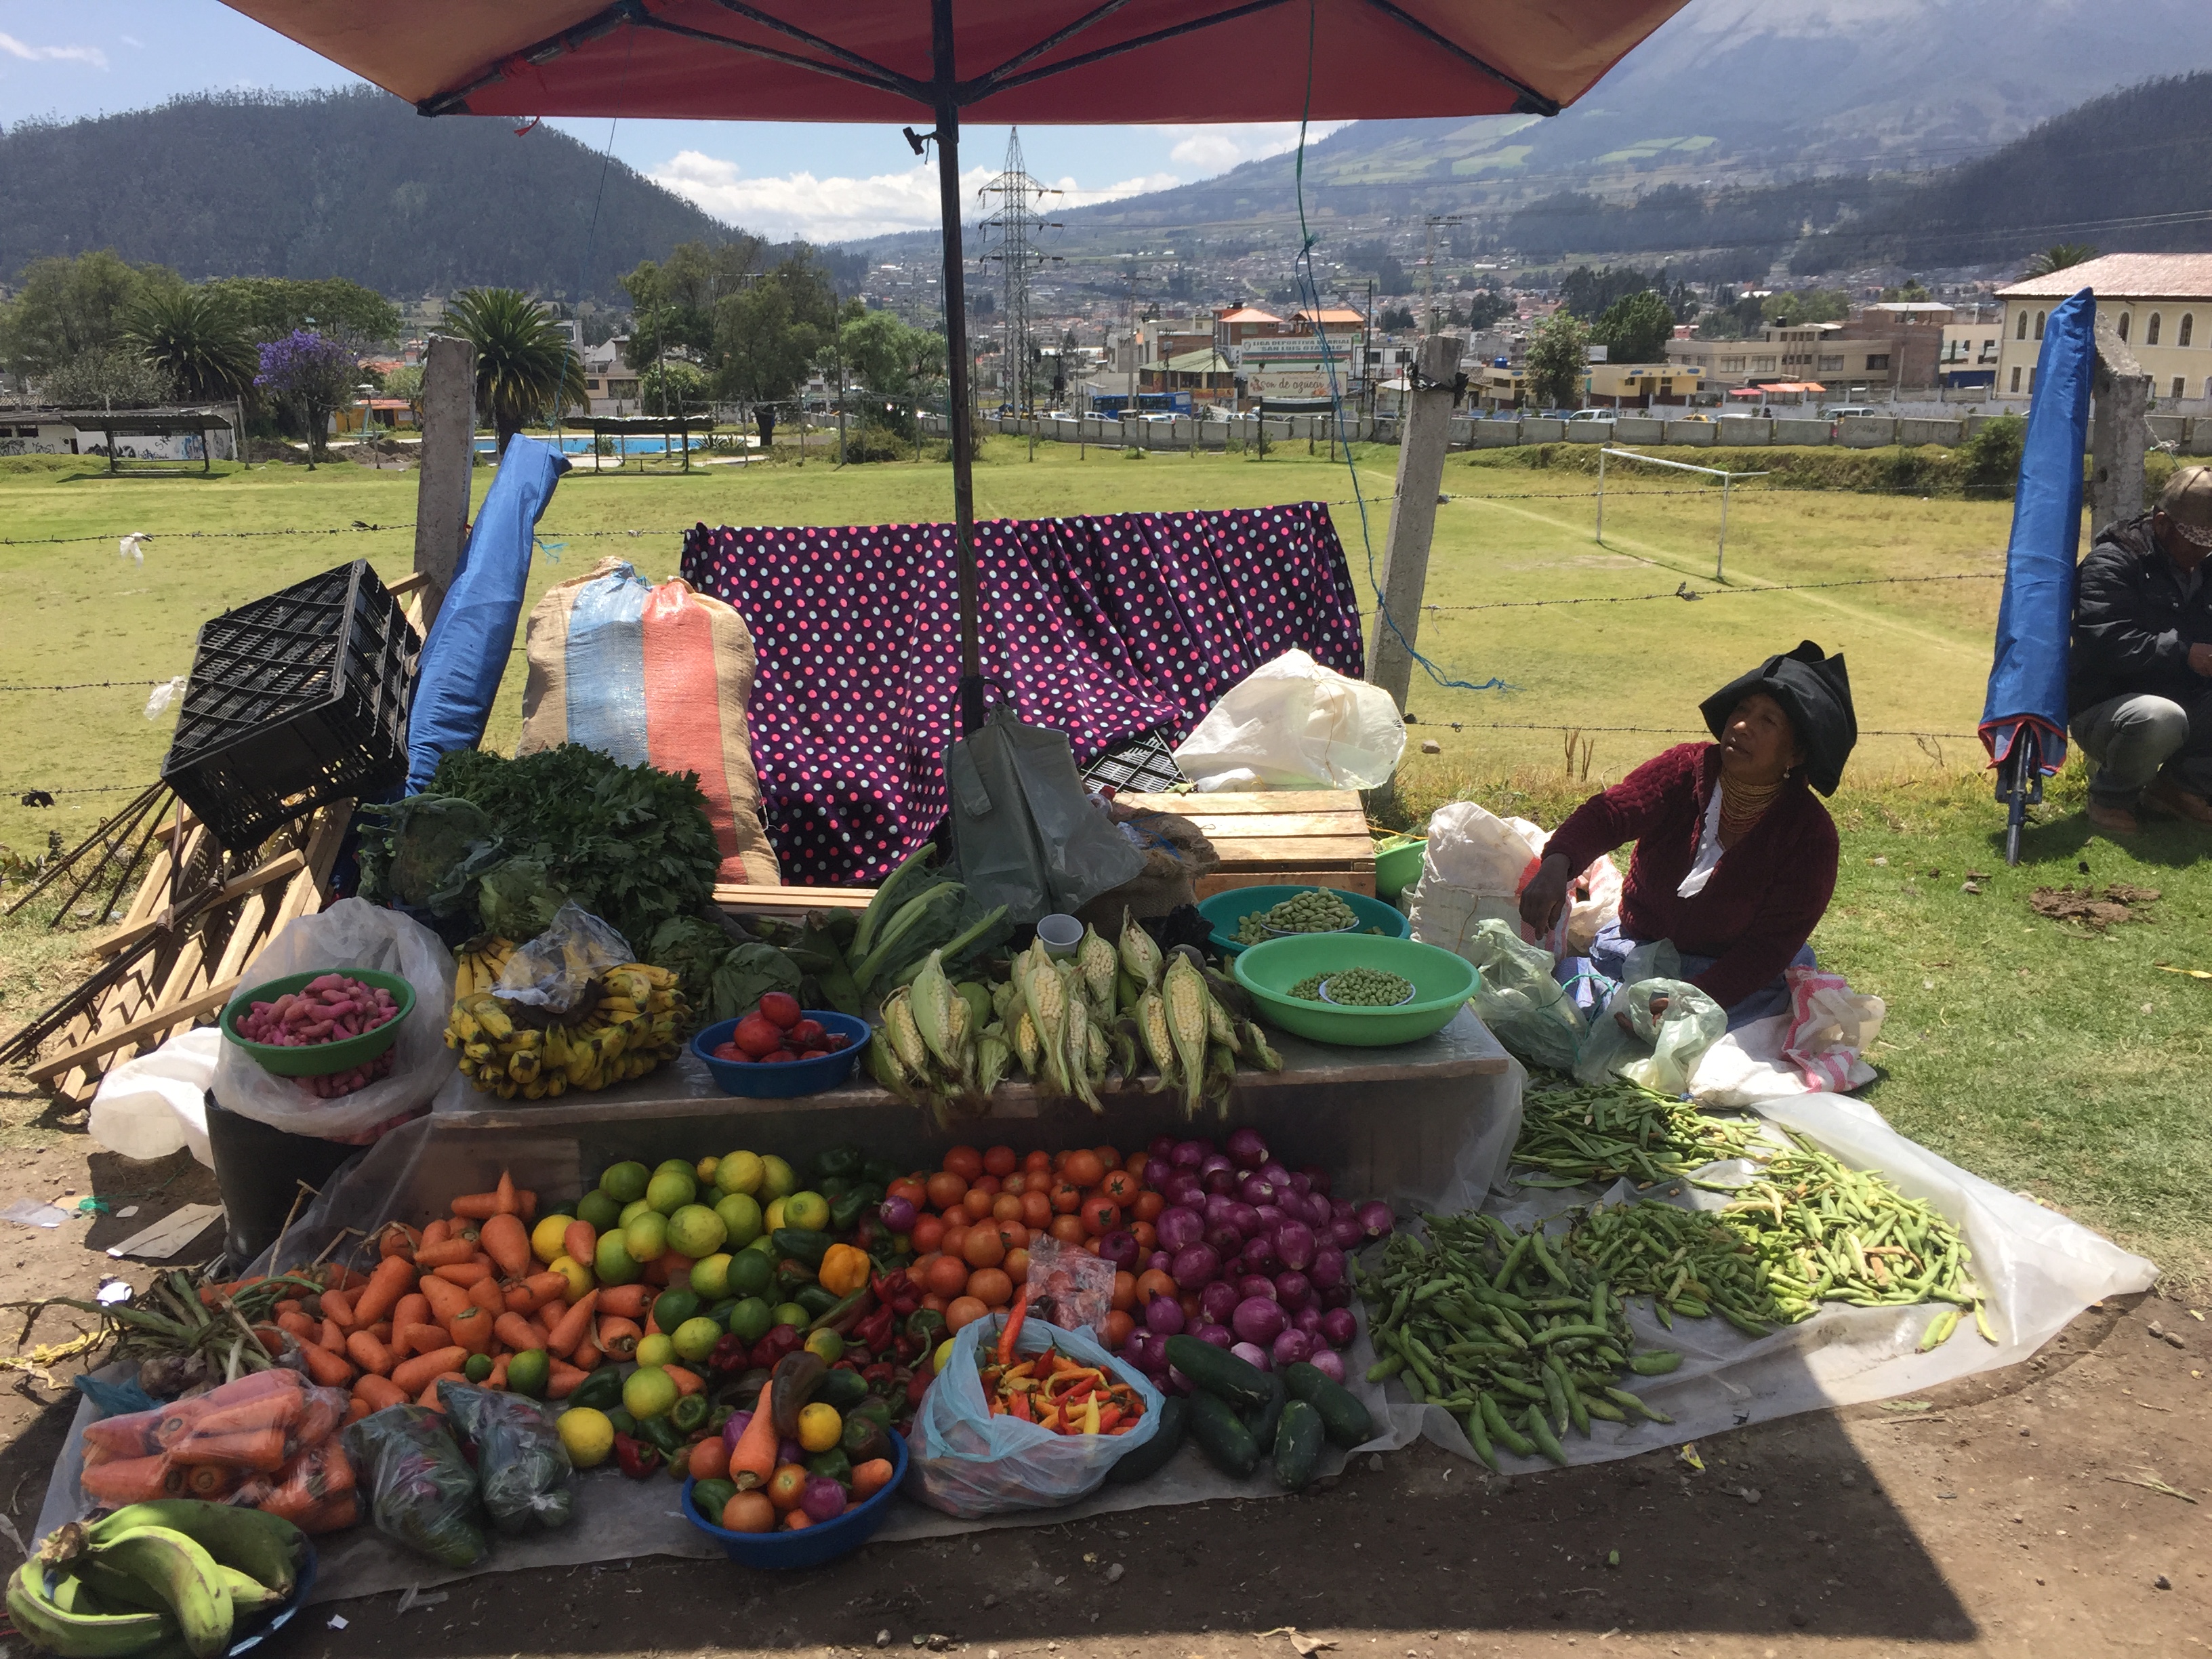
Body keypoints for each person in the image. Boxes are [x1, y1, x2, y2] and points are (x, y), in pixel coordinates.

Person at [1521, 641, 1856, 1032]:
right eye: (1741, 710)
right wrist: (1556, 864)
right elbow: (1611, 813)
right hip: (1636, 947)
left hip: (1732, 976)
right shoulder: (1684, 770)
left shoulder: (1809, 835)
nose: (1742, 726)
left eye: (1768, 721)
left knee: (1725, 1039)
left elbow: (1768, 949)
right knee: (1573, 1005)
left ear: (1796, 754)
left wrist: (1690, 1001)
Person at [2069, 464, 2212, 834]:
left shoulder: (2206, 564)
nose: (2204, 550)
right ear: (2163, 524)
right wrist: (2185, 654)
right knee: (2158, 716)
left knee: (2168, 713)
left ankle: (2179, 789)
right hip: (2108, 708)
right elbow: (2107, 642)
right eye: (2197, 539)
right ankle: (2110, 798)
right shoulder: (2111, 563)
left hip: (2185, 697)